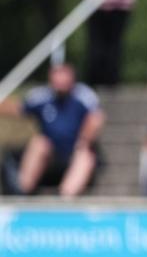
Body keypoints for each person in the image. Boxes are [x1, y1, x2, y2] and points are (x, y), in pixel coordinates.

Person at [0, 64, 104, 196]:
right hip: (50, 153)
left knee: (85, 153)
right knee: (39, 143)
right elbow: (17, 108)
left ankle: (65, 197)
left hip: (75, 150)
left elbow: (96, 118)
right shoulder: (42, 96)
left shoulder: (84, 95)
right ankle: (23, 191)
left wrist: (85, 139)